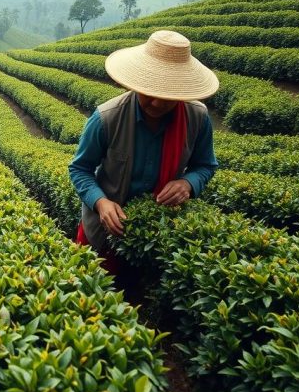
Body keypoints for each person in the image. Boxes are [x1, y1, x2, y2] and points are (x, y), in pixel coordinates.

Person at [68, 30, 219, 273]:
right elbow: (80, 169)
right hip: (104, 230)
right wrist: (101, 202)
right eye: (152, 92)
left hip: (159, 232)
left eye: (168, 95)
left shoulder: (197, 118)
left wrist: (188, 184)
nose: (158, 103)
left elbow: (206, 165)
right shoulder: (107, 118)